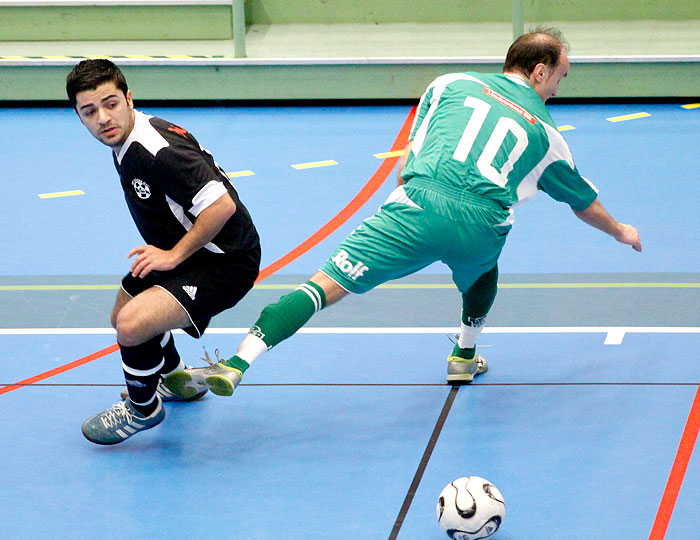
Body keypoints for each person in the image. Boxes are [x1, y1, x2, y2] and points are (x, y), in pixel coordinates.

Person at [165, 28, 642, 398]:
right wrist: (620, 230)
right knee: (482, 272)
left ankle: (239, 361)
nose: (559, 88)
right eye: (560, 76)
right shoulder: (546, 131)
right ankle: (464, 354)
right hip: (481, 223)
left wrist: (408, 203)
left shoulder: (450, 83)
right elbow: (584, 203)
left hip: (416, 205)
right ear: (539, 72)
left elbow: (418, 145)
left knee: (322, 287)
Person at [67, 59, 261, 444]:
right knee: (122, 314)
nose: (103, 118)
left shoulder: (156, 149)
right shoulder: (127, 139)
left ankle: (143, 411)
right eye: (90, 111)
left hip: (224, 260)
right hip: (189, 250)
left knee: (132, 325)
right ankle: (174, 379)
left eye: (110, 104)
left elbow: (220, 206)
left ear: (128, 98)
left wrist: (172, 256)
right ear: (79, 115)